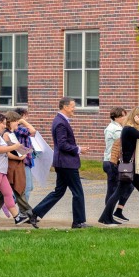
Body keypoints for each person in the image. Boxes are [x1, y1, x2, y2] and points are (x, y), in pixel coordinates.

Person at [32, 97, 87, 229]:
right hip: (66, 163)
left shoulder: (60, 121)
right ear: (65, 107)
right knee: (78, 192)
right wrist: (78, 149)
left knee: (59, 192)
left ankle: (34, 213)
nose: (74, 109)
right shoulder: (61, 122)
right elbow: (62, 145)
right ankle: (78, 222)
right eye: (73, 106)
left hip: (63, 163)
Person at [0, 111, 39, 228]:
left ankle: (17, 217)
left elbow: (7, 149)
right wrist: (16, 150)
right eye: (3, 123)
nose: (4, 125)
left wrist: (20, 151)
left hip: (1, 169)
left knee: (7, 193)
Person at [102, 107, 133, 222]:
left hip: (120, 162)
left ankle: (118, 211)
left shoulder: (120, 128)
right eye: (123, 116)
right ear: (117, 117)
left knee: (129, 186)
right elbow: (125, 142)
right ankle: (107, 216)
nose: (125, 118)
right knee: (112, 189)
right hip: (112, 162)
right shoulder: (114, 129)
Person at [13, 107, 38, 202]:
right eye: (25, 116)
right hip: (22, 161)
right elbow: (32, 131)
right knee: (26, 188)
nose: (27, 118)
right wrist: (23, 121)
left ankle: (10, 201)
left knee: (29, 187)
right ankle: (23, 212)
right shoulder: (18, 129)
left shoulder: (20, 129)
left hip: (27, 160)